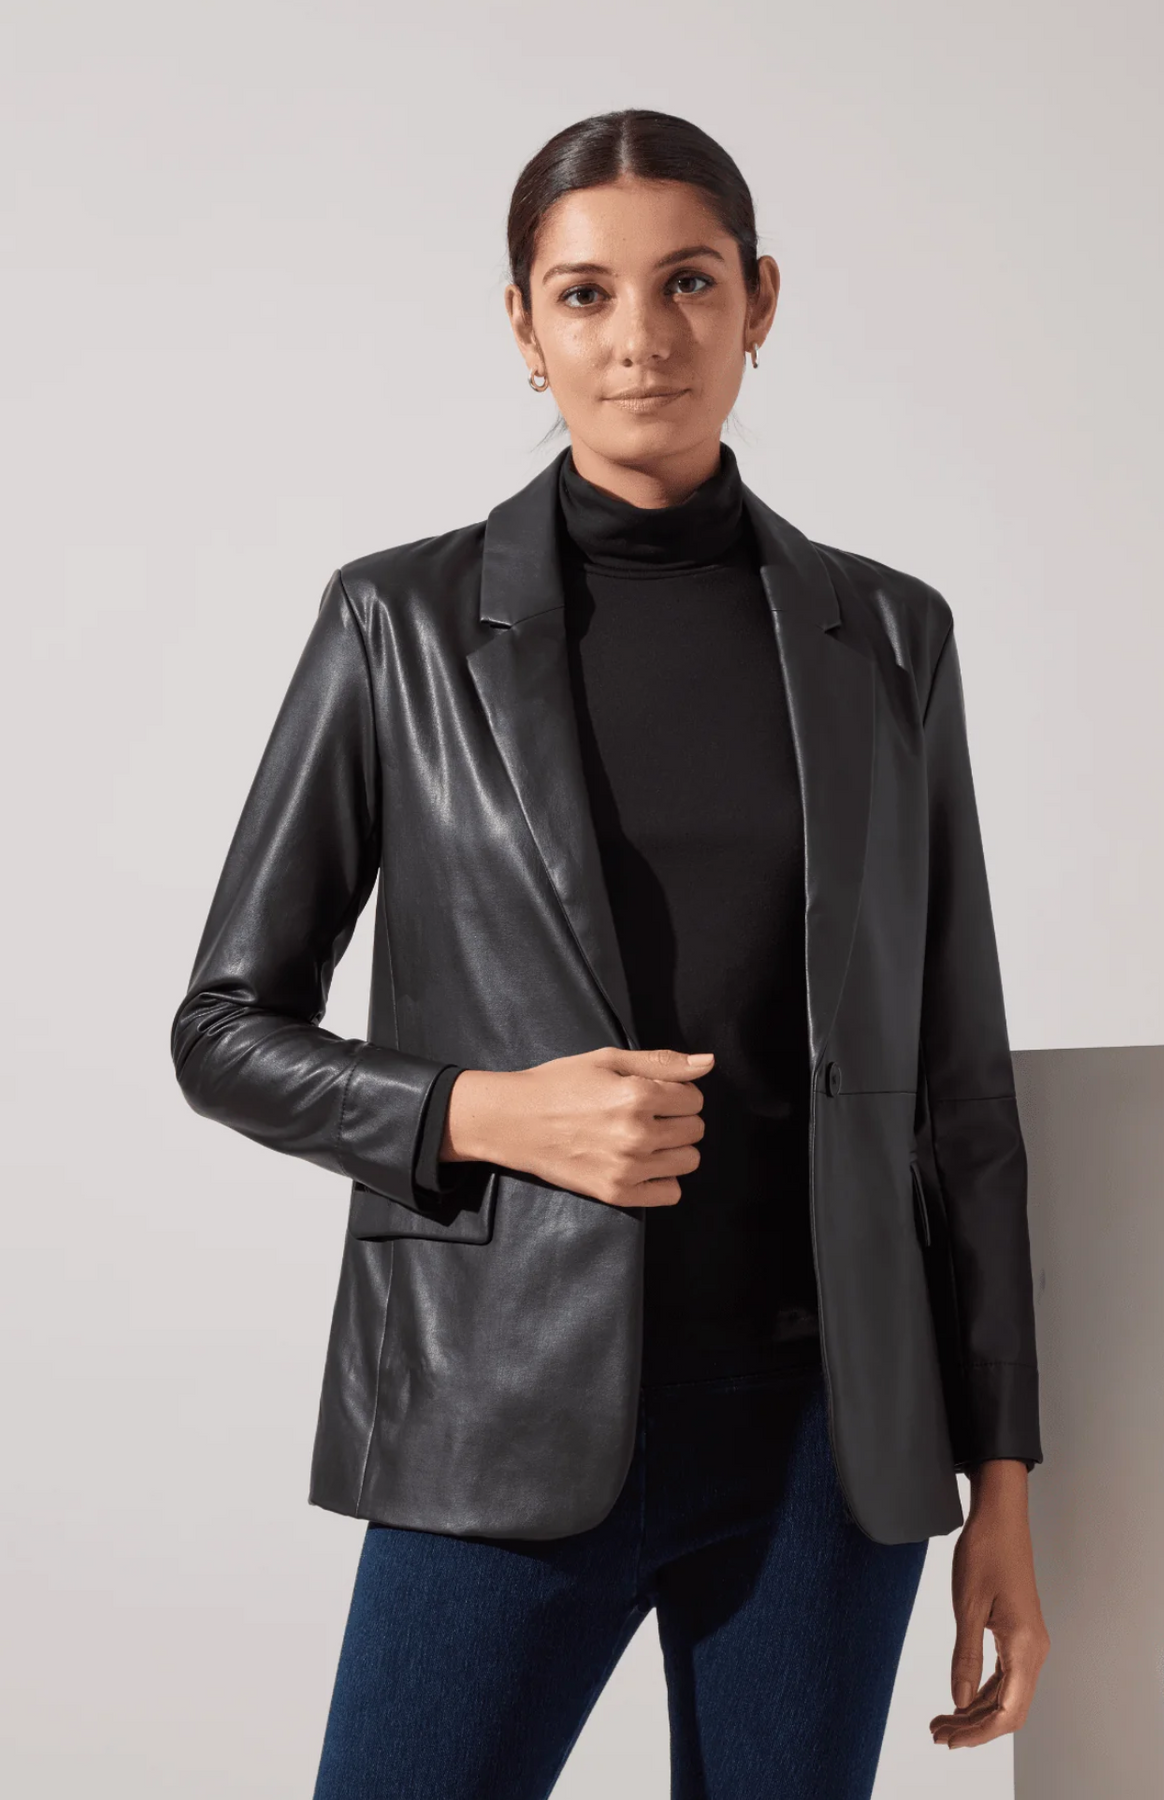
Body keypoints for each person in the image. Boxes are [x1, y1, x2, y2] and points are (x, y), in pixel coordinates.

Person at [171, 107, 1050, 1799]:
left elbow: (961, 1093)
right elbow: (222, 1025)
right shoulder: (399, 626)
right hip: (501, 1414)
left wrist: (1004, 1477)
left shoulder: (891, 636)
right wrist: (487, 1113)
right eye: (585, 294)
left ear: (760, 301)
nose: (642, 336)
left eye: (689, 282)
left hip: (827, 1447)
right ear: (524, 325)